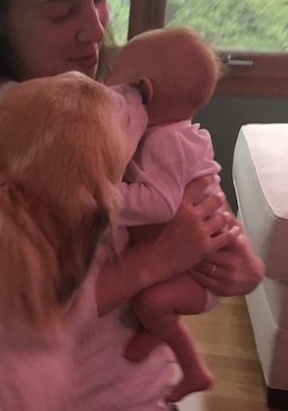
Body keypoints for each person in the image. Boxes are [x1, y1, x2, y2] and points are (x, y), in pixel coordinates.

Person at [0, 0, 264, 409]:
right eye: (63, 12)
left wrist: (236, 256)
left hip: (147, 389)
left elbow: (191, 186)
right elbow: (15, 323)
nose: (96, 27)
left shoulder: (115, 95)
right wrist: (159, 259)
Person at [104, 27, 226, 403]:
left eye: (114, 76)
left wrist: (102, 195)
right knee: (150, 300)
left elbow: (159, 204)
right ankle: (194, 369)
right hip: (193, 258)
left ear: (145, 92)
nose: (106, 84)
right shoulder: (166, 133)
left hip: (203, 274)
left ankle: (186, 364)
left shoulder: (164, 141)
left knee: (151, 304)